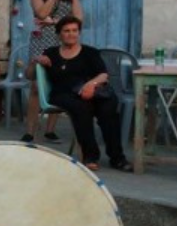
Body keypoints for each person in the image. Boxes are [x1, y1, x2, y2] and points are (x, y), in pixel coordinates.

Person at [28, 16, 132, 172]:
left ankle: (117, 157)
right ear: (59, 34)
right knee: (81, 107)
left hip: (90, 91)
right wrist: (35, 61)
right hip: (62, 93)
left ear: (79, 33)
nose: (71, 34)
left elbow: (103, 75)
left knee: (108, 106)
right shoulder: (51, 53)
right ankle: (90, 155)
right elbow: (29, 76)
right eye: (67, 31)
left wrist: (91, 84)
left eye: (75, 30)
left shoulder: (90, 52)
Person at [23, 0, 83, 144]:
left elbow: (78, 19)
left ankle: (50, 130)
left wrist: (55, 21)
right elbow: (41, 13)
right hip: (42, 42)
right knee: (36, 86)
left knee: (59, 83)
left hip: (63, 43)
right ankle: (30, 132)